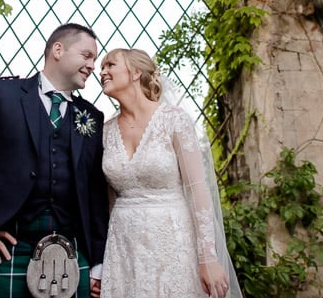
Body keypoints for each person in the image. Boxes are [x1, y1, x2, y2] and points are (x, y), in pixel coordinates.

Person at [0, 22, 110, 298]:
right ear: (58, 49)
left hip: (71, 255)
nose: (93, 66)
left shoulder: (91, 116)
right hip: (8, 248)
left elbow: (95, 195)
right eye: (86, 55)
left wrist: (98, 263)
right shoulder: (1, 94)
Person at [98, 48, 244, 298]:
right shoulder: (105, 131)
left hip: (172, 242)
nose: (102, 71)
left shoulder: (174, 120)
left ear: (135, 73)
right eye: (101, 67)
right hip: (123, 248)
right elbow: (108, 202)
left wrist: (207, 256)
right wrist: (100, 264)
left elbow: (198, 189)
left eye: (110, 64)